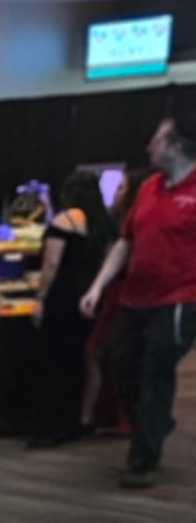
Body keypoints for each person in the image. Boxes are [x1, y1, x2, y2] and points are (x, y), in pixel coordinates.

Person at [81, 103, 196, 485]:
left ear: (176, 146)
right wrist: (98, 286)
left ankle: (142, 460)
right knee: (115, 361)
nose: (149, 146)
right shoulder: (147, 187)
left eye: (157, 140)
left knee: (154, 371)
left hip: (178, 299)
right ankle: (154, 422)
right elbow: (125, 242)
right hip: (134, 297)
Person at [27, 171, 112, 450]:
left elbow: (51, 264)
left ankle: (51, 425)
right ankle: (74, 420)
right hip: (87, 295)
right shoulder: (102, 223)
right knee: (77, 360)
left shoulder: (65, 220)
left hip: (62, 295)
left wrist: (41, 297)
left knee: (54, 361)